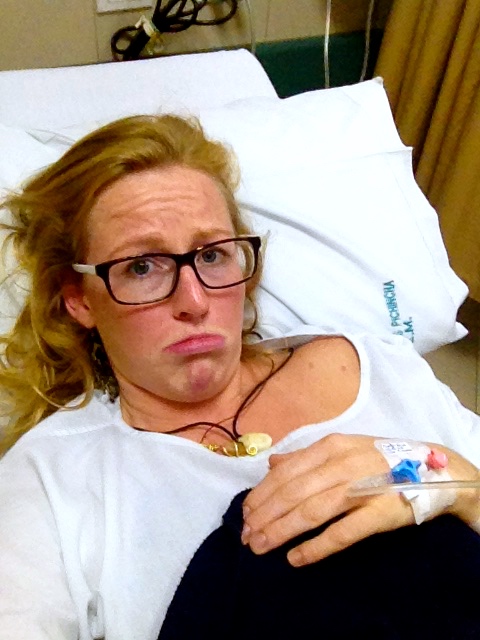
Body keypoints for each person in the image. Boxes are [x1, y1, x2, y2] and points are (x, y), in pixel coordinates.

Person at [1, 113, 480, 640]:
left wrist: (451, 482)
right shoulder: (52, 478)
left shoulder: (382, 367)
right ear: (78, 299)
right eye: (141, 266)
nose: (194, 300)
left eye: (212, 255)